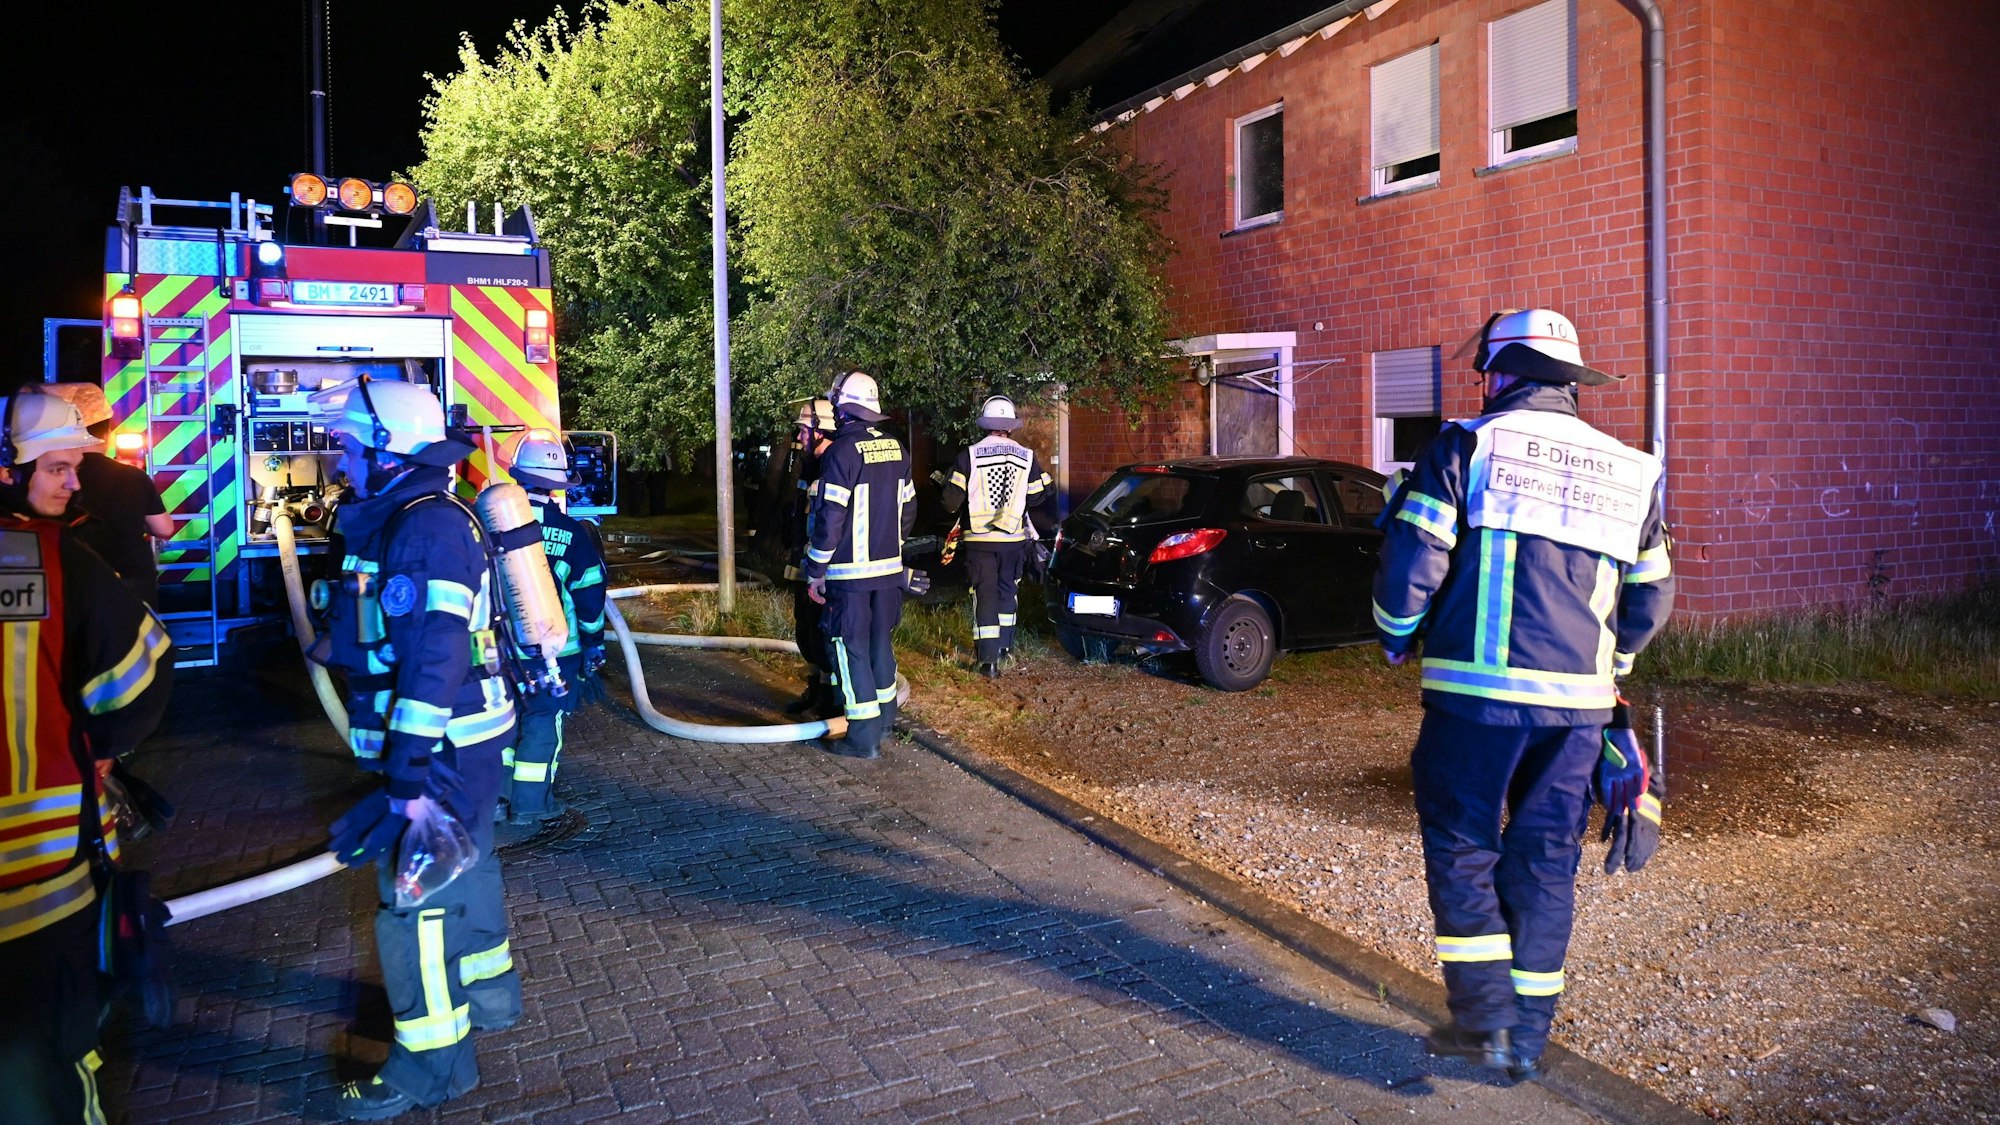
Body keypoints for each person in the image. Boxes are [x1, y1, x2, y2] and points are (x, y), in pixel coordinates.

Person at [1371, 308, 1675, 1082]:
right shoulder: (1633, 470)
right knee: (1544, 863)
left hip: (1474, 702)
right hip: (1576, 710)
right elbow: (1650, 601)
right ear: (1570, 383)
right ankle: (1528, 1039)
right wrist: (1613, 668)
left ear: (1502, 373)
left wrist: (1397, 631)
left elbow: (1414, 561)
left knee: (1463, 846)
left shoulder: (1464, 445)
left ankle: (1484, 1022)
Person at [313, 375, 521, 1120]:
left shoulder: (425, 527)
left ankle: (431, 1068)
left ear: (386, 449)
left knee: (414, 904)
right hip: (460, 744)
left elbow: (436, 658)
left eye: (348, 446)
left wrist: (405, 773)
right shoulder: (416, 514)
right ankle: (492, 999)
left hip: (440, 750)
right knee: (467, 870)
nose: (342, 462)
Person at [0, 388, 172, 1124]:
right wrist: (98, 748)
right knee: (50, 1055)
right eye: (58, 469)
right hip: (39, 872)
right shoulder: (46, 557)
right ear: (13, 468)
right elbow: (141, 672)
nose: (73, 482)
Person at [802, 372, 919, 759]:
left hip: (849, 578)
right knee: (879, 642)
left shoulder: (841, 452)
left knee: (850, 649)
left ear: (842, 407)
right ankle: (886, 722)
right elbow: (908, 510)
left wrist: (815, 570)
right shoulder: (897, 449)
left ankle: (862, 738)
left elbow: (830, 518)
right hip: (888, 574)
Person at [496, 429, 607, 824]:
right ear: (558, 484)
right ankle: (531, 805)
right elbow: (590, 593)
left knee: (501, 722)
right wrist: (595, 641)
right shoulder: (573, 534)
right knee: (543, 721)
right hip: (555, 652)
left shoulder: (488, 525)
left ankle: (497, 800)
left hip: (500, 649)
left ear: (518, 477)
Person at [940, 394, 1053, 677]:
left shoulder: (968, 455)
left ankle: (988, 662)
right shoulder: (1026, 457)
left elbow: (950, 502)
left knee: (984, 596)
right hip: (1013, 540)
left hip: (979, 542)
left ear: (986, 425)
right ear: (1010, 426)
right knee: (1007, 592)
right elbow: (1039, 496)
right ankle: (1005, 648)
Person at [46, 382, 172, 609]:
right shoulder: (133, 476)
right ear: (107, 432)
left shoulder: (52, 477)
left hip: (74, 580)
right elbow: (164, 529)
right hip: (133, 580)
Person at [781, 398, 840, 718]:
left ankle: (832, 697)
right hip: (806, 561)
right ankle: (817, 687)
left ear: (821, 430)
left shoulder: (836, 464)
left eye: (804, 430)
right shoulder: (810, 464)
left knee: (824, 632)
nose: (800, 436)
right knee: (805, 630)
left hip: (827, 568)